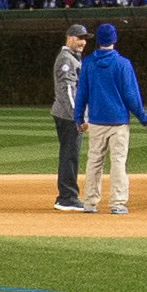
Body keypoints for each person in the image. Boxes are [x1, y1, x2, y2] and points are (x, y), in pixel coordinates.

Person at [76, 20, 147, 215]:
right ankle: (117, 203)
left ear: (98, 40)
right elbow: (131, 96)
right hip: (118, 122)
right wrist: (144, 118)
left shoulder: (89, 63)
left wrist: (78, 118)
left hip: (95, 121)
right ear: (114, 39)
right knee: (118, 162)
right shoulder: (123, 64)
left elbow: (81, 93)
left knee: (94, 162)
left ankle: (90, 203)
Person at [50, 22, 93, 212]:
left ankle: (67, 195)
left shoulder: (74, 57)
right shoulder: (66, 59)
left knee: (71, 155)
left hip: (69, 115)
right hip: (68, 116)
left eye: (85, 38)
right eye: (79, 37)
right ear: (69, 37)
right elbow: (67, 91)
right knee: (69, 156)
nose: (83, 42)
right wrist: (78, 117)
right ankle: (66, 197)